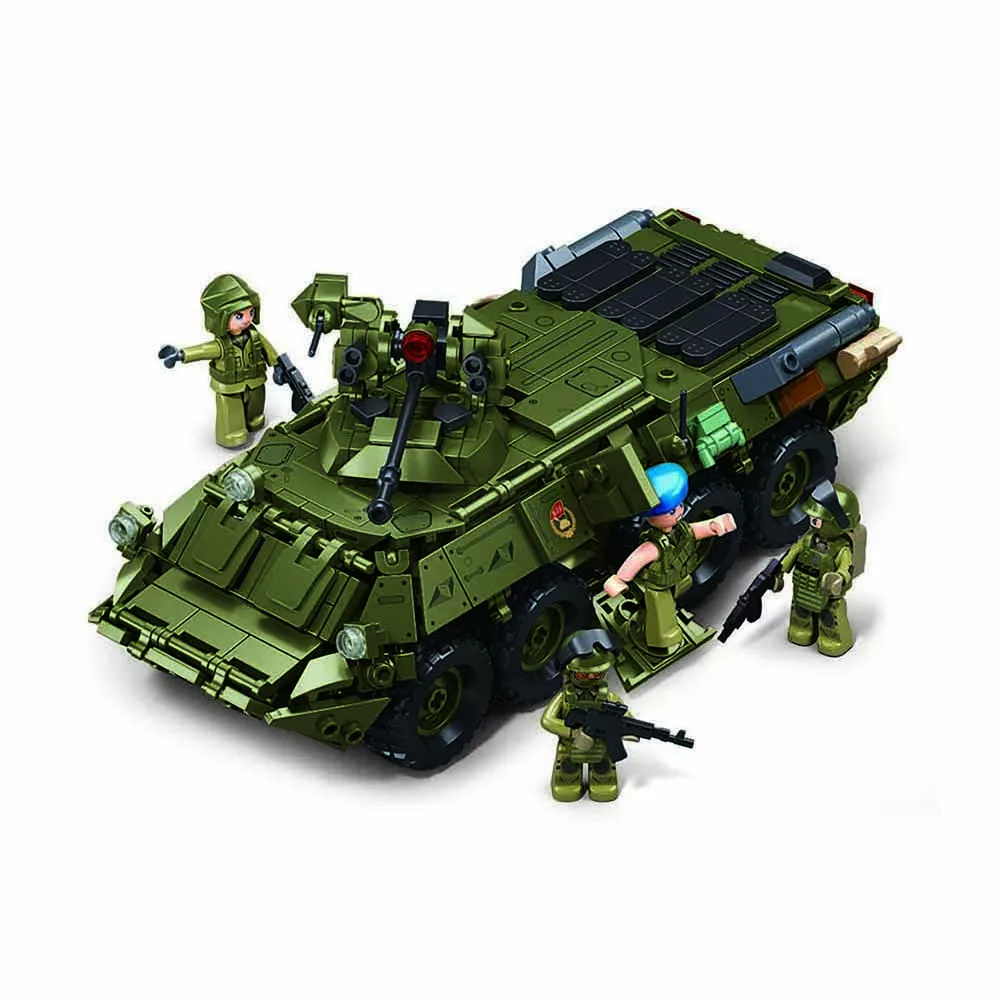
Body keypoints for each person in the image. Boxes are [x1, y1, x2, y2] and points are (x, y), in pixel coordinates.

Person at [604, 462, 736, 649]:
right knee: (662, 617)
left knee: (664, 604)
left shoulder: (681, 530)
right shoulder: (654, 546)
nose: (680, 511)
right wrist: (620, 579)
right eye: (672, 511)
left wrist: (713, 526)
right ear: (652, 517)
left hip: (677, 579)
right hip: (658, 588)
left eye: (680, 506)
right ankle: (662, 642)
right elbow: (637, 558)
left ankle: (644, 621)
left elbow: (695, 531)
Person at [158, 274, 279, 448]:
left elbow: (269, 350)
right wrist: (181, 354)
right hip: (229, 387)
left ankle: (255, 421)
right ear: (222, 318)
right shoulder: (221, 345)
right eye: (239, 316)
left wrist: (277, 364)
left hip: (255, 380)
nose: (247, 319)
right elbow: (203, 350)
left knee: (256, 407)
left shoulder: (254, 335)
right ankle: (233, 435)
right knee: (231, 412)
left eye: (250, 313)